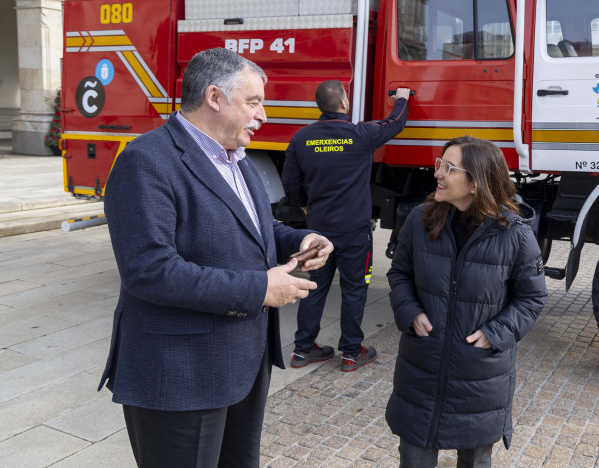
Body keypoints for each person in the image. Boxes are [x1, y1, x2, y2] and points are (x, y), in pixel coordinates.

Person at [98, 47, 333, 468]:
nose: (263, 115)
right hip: (181, 374)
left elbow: (255, 229)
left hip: (242, 364)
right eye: (254, 101)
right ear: (214, 98)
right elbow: (149, 271)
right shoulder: (146, 160)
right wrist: (261, 287)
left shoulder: (238, 160)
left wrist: (301, 239)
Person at [385, 136, 548, 468]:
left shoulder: (515, 234)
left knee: (475, 460)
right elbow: (399, 274)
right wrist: (409, 312)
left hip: (480, 379)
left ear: (476, 182)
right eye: (438, 164)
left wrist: (497, 333)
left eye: (448, 167)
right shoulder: (420, 219)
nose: (437, 174)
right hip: (421, 370)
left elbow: (532, 298)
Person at [282, 80, 410, 371]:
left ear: (320, 106)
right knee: (355, 289)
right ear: (344, 104)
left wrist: (303, 204)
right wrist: (401, 98)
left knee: (314, 286)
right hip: (354, 231)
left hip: (317, 230)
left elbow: (290, 180)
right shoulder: (360, 134)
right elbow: (395, 124)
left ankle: (303, 350)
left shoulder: (302, 138)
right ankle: (352, 352)